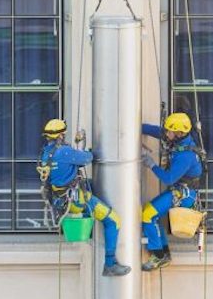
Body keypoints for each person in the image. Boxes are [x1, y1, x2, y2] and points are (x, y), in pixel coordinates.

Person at [38, 118, 130, 276]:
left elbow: (70, 165)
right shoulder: (65, 152)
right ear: (60, 136)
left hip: (60, 199)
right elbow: (88, 158)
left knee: (88, 184)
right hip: (76, 200)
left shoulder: (46, 153)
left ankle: (93, 228)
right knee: (114, 220)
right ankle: (110, 263)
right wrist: (82, 146)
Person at [139, 112, 204, 271]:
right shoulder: (178, 139)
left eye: (170, 131)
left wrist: (151, 165)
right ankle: (163, 254)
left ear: (179, 134)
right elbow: (157, 131)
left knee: (147, 215)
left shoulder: (186, 156)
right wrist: (135, 128)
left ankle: (158, 256)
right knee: (152, 215)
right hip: (180, 191)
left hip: (184, 195)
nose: (166, 133)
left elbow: (168, 178)